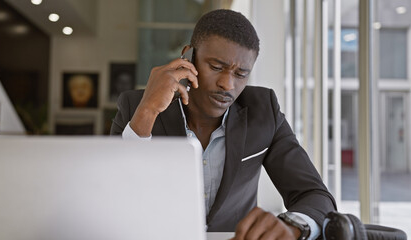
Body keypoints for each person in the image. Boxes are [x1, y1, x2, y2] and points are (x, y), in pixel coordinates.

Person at [111, 9, 336, 240]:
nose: (227, 84)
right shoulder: (137, 106)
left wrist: (293, 226)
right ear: (187, 58)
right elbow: (110, 195)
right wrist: (147, 111)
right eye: (216, 67)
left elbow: (315, 195)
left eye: (240, 74)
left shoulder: (263, 109)